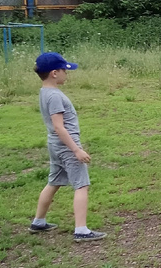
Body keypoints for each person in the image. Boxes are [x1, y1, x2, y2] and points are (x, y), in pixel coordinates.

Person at [30, 52, 107, 242]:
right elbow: (59, 126)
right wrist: (76, 150)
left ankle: (38, 222)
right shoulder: (54, 96)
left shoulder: (44, 92)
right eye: (65, 70)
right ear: (54, 73)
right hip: (66, 146)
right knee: (82, 185)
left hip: (55, 146)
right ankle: (81, 230)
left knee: (54, 181)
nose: (67, 73)